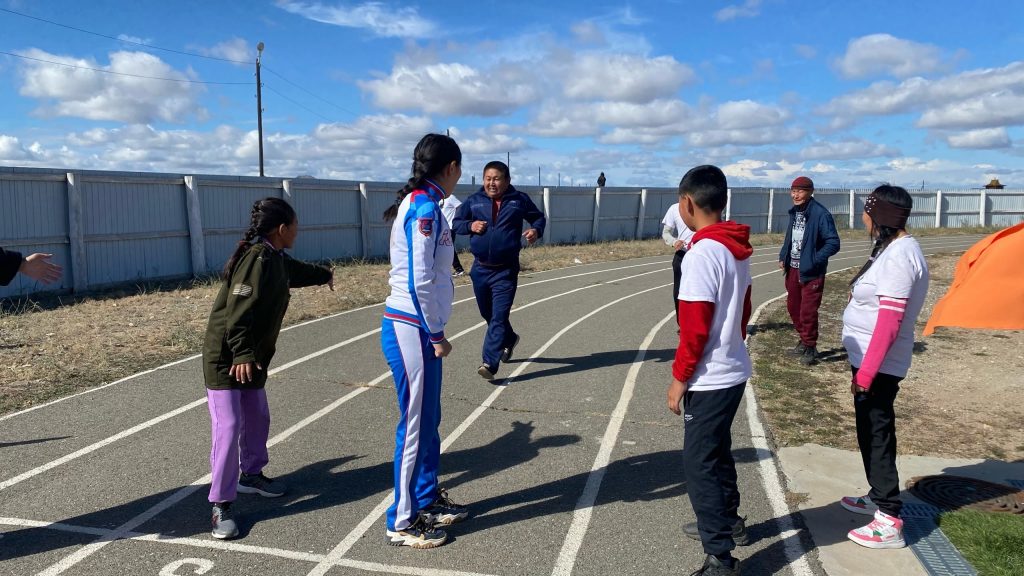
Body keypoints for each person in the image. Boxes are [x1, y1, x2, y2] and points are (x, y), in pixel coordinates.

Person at [201, 197, 334, 540]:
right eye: (296, 226)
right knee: (229, 426)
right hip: (228, 358)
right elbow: (237, 313)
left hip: (252, 357)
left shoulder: (275, 257)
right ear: (282, 229)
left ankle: (251, 475)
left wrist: (325, 274)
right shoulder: (255, 259)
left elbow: (295, 271)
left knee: (258, 416)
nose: (298, 232)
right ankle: (220, 504)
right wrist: (242, 354)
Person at [381, 133, 469, 549]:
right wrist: (435, 333)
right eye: (460, 169)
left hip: (420, 328)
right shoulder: (423, 207)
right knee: (415, 425)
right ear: (451, 168)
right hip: (411, 328)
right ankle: (401, 521)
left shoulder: (428, 203)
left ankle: (425, 497)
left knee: (429, 419)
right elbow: (419, 279)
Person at [668, 165, 752, 576]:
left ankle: (720, 555)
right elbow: (745, 309)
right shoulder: (735, 246)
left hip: (711, 375)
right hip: (733, 367)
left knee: (699, 463)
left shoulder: (702, 254)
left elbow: (694, 328)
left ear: (687, 203)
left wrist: (679, 379)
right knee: (717, 451)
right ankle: (729, 521)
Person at [840, 185, 929, 550]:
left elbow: (890, 322)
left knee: (877, 434)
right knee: (870, 430)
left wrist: (866, 373)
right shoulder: (890, 249)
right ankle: (878, 496)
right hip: (869, 362)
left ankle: (889, 520)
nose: (863, 218)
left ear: (879, 216)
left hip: (879, 366)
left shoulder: (900, 256)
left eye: (867, 212)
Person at [453, 161, 546, 380]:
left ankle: (489, 363)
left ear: (507, 180)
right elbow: (456, 222)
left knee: (498, 316)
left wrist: (536, 230)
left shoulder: (519, 200)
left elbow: (538, 217)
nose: (491, 183)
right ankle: (510, 338)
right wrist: (470, 226)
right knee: (488, 314)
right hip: (480, 269)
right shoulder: (474, 200)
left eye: (496, 179)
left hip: (505, 271)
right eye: (488, 178)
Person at [778, 176, 840, 366]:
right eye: (793, 191)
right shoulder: (795, 212)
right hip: (793, 268)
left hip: (811, 272)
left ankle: (810, 346)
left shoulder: (821, 214)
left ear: (810, 192)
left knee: (808, 310)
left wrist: (814, 260)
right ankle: (803, 340)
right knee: (793, 306)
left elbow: (833, 243)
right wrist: (783, 255)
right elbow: (790, 237)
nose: (795, 195)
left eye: (800, 191)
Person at [662, 201, 696, 329]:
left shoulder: (704, 205)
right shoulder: (674, 209)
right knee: (679, 293)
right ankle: (682, 325)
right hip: (682, 254)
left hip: (701, 254)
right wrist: (674, 241)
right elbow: (666, 233)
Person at [439, 192, 467, 277]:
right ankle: (450, 269)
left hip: (450, 227)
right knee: (444, 248)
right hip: (442, 228)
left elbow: (461, 206)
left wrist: (456, 218)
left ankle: (459, 269)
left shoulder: (451, 197)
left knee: (448, 248)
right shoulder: (439, 200)